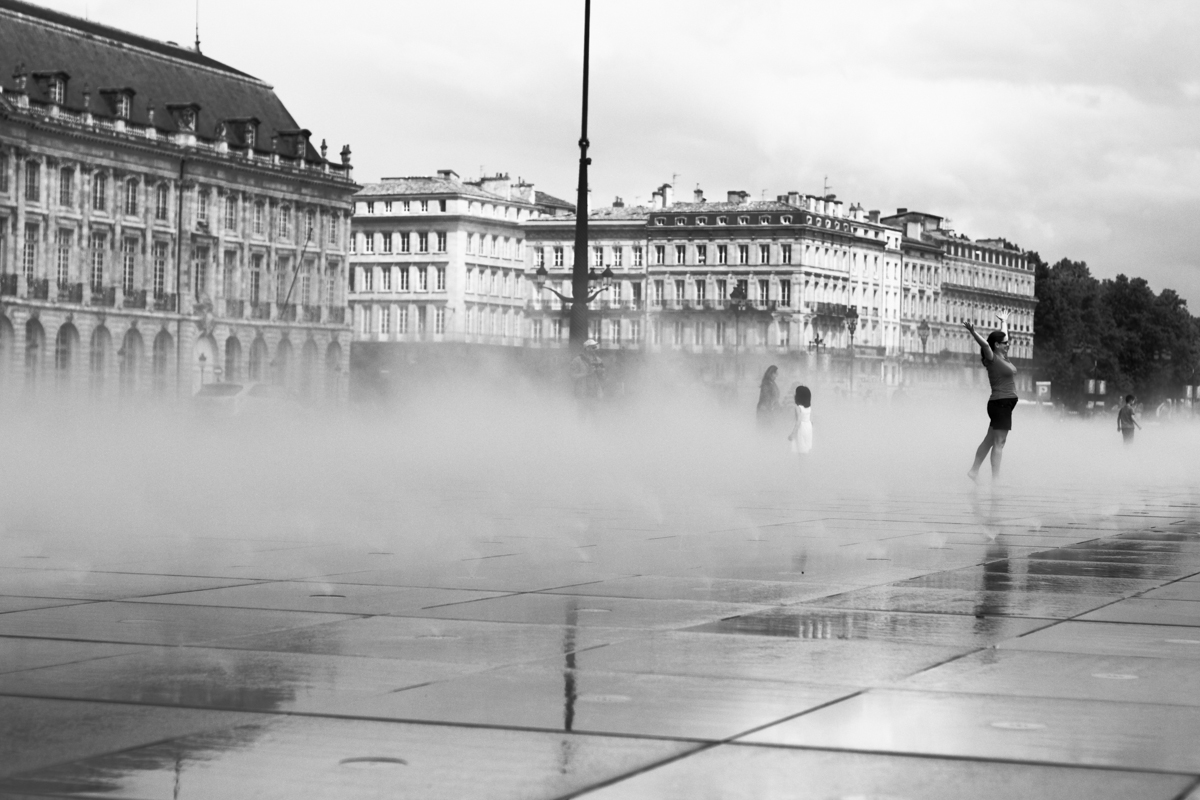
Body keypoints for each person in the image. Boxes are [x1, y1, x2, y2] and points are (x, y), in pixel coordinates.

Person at [964, 313, 1017, 481]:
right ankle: (996, 481)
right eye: (1005, 343)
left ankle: (974, 471)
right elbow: (986, 345)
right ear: (997, 345)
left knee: (989, 440)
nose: (1008, 345)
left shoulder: (1003, 356)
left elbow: (1003, 338)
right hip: (1000, 403)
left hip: (1002, 403)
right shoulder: (992, 358)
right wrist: (973, 332)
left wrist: (1004, 322)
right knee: (999, 442)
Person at [788, 385, 812, 456]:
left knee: (800, 449)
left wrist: (793, 433)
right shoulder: (809, 408)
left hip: (801, 428)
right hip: (808, 427)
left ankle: (802, 465)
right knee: (806, 448)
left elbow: (798, 421)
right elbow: (811, 419)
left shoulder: (798, 408)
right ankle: (805, 464)